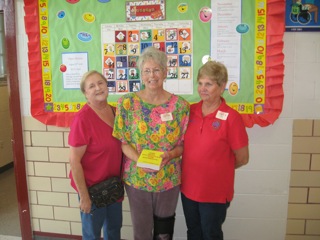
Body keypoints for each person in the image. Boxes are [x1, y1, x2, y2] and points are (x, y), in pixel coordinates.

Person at [112, 46, 190, 240]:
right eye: (147, 71)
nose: (152, 75)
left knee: (164, 233)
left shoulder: (180, 106)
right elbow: (123, 142)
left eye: (156, 70)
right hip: (138, 178)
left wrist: (170, 155)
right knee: (142, 231)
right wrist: (142, 160)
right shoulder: (127, 103)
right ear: (141, 74)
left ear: (165, 72)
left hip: (168, 177)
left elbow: (183, 144)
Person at [181, 61, 249, 240]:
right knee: (193, 232)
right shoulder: (190, 111)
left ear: (222, 86)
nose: (203, 88)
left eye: (209, 84)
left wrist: (217, 168)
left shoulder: (232, 118)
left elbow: (242, 158)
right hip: (188, 189)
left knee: (211, 234)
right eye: (201, 83)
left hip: (215, 193)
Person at [68, 70, 123, 240]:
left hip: (113, 186)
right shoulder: (82, 119)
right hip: (91, 189)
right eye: (91, 86)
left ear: (107, 86)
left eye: (101, 83)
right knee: (92, 234)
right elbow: (74, 161)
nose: (98, 88)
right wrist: (84, 197)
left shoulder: (116, 113)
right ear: (85, 94)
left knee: (114, 230)